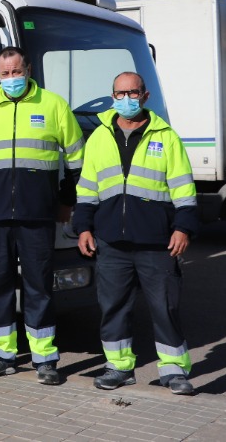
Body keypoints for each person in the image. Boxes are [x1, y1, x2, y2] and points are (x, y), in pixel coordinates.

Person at [0, 46, 83, 384]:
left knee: (39, 286)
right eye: (5, 74)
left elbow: (77, 161)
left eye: (17, 71)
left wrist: (65, 201)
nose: (12, 78)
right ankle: (1, 355)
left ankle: (45, 359)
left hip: (38, 216)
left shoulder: (53, 105)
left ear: (28, 69)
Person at [73, 71, 197, 395]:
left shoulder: (166, 136)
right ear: (112, 95)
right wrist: (83, 227)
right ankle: (119, 367)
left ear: (145, 96)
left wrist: (183, 227)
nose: (126, 99)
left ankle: (174, 371)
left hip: (157, 242)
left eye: (132, 93)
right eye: (120, 93)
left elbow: (184, 188)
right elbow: (87, 188)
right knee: (113, 307)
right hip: (111, 241)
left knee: (165, 307)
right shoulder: (99, 136)